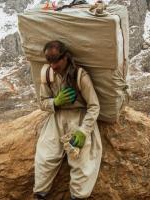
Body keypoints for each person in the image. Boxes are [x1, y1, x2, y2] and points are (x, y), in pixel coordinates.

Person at [33, 40, 102, 200]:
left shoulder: (80, 75)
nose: (53, 65)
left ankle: (78, 197)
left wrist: (84, 131)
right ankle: (39, 195)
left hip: (79, 118)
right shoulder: (47, 74)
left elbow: (94, 106)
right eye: (49, 61)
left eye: (56, 60)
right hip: (56, 118)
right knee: (44, 158)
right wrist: (55, 102)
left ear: (65, 57)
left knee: (81, 162)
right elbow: (43, 102)